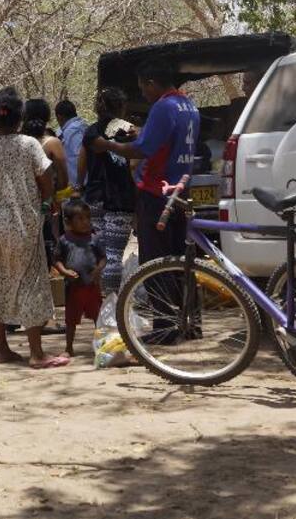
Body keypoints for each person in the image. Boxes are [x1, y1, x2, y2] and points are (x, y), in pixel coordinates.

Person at [0, 87, 68, 369]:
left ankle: (2, 349)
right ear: (19, 117)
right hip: (25, 225)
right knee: (31, 282)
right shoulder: (29, 145)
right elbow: (46, 181)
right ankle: (36, 353)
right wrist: (47, 206)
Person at [94, 65, 201, 340]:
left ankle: (164, 328)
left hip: (157, 193)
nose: (143, 92)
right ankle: (190, 324)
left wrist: (109, 146)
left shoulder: (163, 107)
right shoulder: (188, 105)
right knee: (182, 262)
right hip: (180, 190)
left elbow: (144, 149)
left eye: (143, 86)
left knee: (156, 263)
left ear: (153, 82)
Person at [79, 87, 138, 296]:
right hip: (120, 198)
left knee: (99, 253)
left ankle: (100, 300)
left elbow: (82, 161)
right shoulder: (130, 130)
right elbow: (133, 166)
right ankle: (112, 302)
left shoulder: (91, 131)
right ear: (122, 107)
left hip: (94, 197)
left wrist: (79, 187)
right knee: (114, 254)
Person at [52, 200, 105, 357]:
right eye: (80, 219)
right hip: (73, 287)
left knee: (98, 318)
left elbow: (103, 258)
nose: (85, 222)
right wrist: (65, 271)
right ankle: (69, 347)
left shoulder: (94, 239)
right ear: (68, 222)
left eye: (88, 218)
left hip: (92, 287)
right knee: (71, 321)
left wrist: (98, 270)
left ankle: (102, 345)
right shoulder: (64, 240)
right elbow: (56, 260)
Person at [22, 99, 71, 262]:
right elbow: (63, 179)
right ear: (48, 117)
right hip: (47, 207)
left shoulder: (17, 142)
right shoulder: (52, 143)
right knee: (49, 252)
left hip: (21, 206)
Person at [55, 100, 87, 190]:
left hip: (80, 186)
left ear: (59, 117)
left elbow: (80, 156)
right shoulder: (82, 126)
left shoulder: (73, 131)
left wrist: (79, 184)